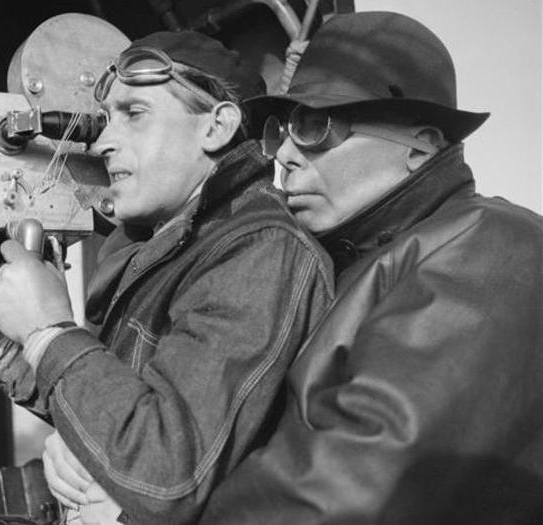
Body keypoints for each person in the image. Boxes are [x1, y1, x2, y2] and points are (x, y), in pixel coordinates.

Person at [0, 31, 333, 524]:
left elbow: (164, 470)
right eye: (106, 118)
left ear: (216, 127)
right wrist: (10, 349)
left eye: (134, 114)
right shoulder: (158, 243)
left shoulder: (260, 252)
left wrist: (49, 331)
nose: (104, 140)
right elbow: (118, 412)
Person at [199, 11, 543, 524]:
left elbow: (356, 487)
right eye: (281, 131)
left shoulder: (494, 243)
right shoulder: (340, 267)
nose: (285, 155)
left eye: (314, 125)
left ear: (420, 144)